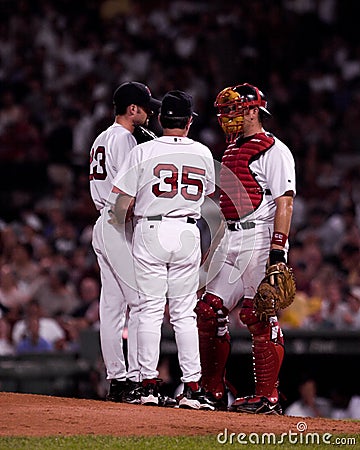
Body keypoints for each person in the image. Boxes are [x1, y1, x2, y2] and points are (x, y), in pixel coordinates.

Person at [111, 90, 216, 409]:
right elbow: (208, 192)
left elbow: (120, 204)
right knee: (184, 314)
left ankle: (146, 384)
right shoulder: (202, 152)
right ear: (188, 121)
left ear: (160, 118)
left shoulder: (144, 151)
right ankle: (194, 388)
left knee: (149, 311)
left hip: (151, 228)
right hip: (187, 231)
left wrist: (124, 231)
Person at [195, 83, 296, 414]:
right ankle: (212, 391)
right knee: (208, 311)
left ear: (254, 111)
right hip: (231, 237)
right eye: (225, 112)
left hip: (261, 238)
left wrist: (278, 251)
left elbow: (285, 204)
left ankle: (267, 396)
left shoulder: (274, 150)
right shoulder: (230, 149)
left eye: (234, 111)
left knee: (258, 313)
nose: (227, 118)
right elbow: (228, 205)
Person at [89, 81, 161, 403]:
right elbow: (127, 193)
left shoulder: (101, 138)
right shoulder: (125, 139)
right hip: (118, 223)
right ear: (132, 109)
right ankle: (133, 380)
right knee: (141, 304)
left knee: (112, 308)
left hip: (103, 222)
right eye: (146, 108)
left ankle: (119, 380)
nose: (149, 115)